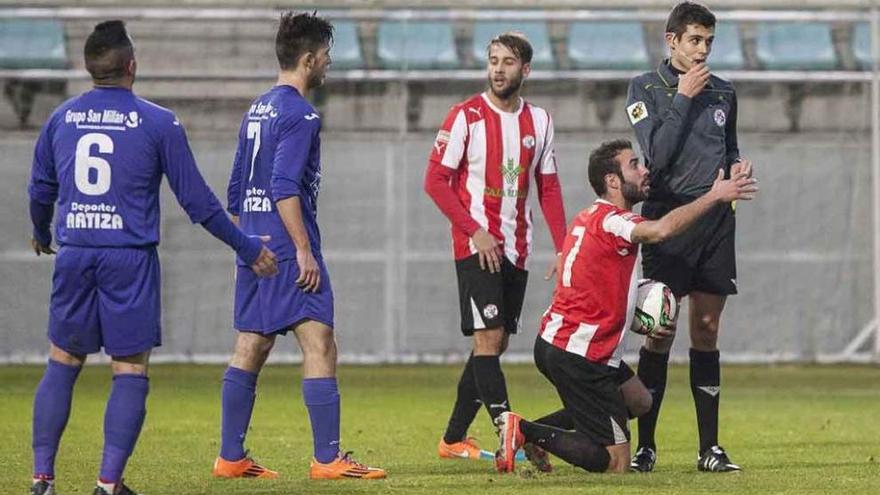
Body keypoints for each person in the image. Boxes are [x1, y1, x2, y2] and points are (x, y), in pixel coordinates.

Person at [27, 20, 278, 495]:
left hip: (76, 252)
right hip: (129, 259)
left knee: (62, 360)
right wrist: (247, 247)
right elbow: (199, 202)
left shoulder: (61, 117)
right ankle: (107, 484)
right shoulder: (157, 121)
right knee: (129, 369)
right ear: (132, 66)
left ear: (89, 68)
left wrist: (42, 233)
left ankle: (42, 479)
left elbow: (41, 189)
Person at [494, 139, 756, 474]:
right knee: (615, 462)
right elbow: (660, 230)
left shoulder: (590, 216)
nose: (645, 170)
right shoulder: (614, 221)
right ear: (613, 181)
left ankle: (532, 434)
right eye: (635, 164)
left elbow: (598, 287)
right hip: (579, 354)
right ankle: (525, 430)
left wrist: (639, 311)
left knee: (638, 400)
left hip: (564, 343)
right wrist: (715, 195)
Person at [211, 12, 385, 481]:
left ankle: (230, 457)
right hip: (288, 246)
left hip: (252, 240)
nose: (328, 63)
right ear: (308, 59)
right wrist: (303, 250)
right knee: (320, 342)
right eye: (326, 55)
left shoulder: (257, 109)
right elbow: (284, 186)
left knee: (251, 342)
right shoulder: (301, 113)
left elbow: (234, 192)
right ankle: (327, 459)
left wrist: (245, 246)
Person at [423, 31, 568, 465]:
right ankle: (510, 432)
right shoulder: (465, 116)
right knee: (488, 338)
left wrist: (564, 248)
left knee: (496, 342)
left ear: (526, 69)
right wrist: (473, 229)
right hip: (477, 246)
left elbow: (549, 187)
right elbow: (435, 181)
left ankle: (452, 439)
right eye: (492, 60)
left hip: (517, 249)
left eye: (507, 61)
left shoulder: (539, 121)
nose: (498, 69)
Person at [625, 1, 753, 472]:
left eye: (709, 42)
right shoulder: (644, 88)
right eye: (695, 40)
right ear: (672, 40)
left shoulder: (724, 92)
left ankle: (710, 449)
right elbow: (656, 156)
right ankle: (646, 447)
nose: (703, 51)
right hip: (668, 221)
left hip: (717, 221)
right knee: (660, 330)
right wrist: (682, 97)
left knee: (706, 329)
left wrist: (738, 167)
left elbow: (730, 145)